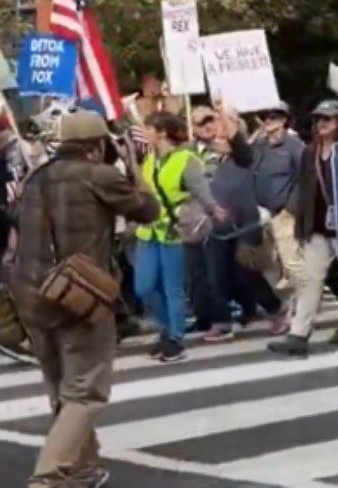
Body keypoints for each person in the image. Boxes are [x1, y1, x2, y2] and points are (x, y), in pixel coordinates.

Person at [9, 111, 160, 488]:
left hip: (30, 294)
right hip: (79, 295)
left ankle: (82, 468)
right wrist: (135, 168)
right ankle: (49, 475)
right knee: (86, 390)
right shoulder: (100, 176)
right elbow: (147, 210)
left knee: (61, 386)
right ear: (97, 145)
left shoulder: (36, 176)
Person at [267, 100, 338, 358]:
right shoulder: (309, 152)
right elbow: (304, 191)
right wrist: (302, 228)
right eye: (318, 119)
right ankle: (298, 335)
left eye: (328, 119)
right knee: (309, 281)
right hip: (318, 226)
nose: (321, 123)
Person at [137, 112, 225, 363]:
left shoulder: (187, 159)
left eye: (149, 128)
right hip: (149, 230)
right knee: (144, 286)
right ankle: (167, 326)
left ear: (162, 132)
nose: (145, 133)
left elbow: (201, 191)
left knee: (173, 287)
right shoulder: (149, 160)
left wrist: (214, 211)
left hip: (175, 230)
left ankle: (175, 337)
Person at [199, 112, 289, 342]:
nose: (216, 136)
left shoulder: (244, 155)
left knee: (247, 273)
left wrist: (223, 113)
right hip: (217, 225)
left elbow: (237, 141)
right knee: (216, 275)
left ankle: (276, 308)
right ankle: (221, 322)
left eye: (222, 131)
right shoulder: (208, 156)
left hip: (244, 222)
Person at [250, 102, 306, 291]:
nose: (267, 121)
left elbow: (304, 178)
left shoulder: (294, 145)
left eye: (272, 117)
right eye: (264, 117)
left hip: (283, 214)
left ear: (284, 120)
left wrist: (290, 209)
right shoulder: (260, 144)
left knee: (293, 263)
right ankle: (292, 304)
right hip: (263, 214)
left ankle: (307, 302)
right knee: (274, 266)